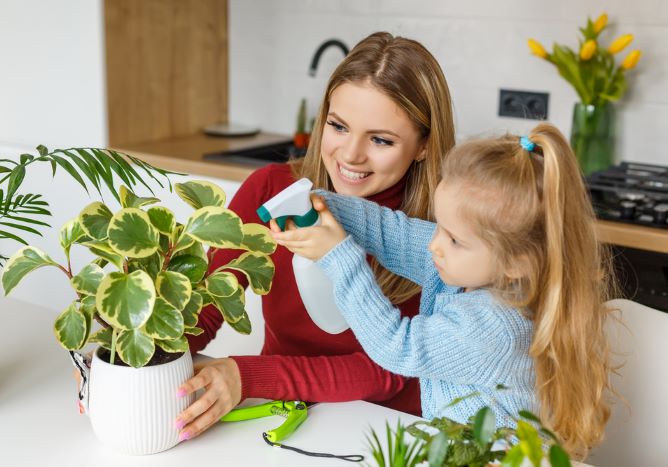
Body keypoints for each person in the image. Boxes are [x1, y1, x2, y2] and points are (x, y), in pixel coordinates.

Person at [173, 31, 456, 441]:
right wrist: (130, 362)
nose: (350, 155)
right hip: (278, 413)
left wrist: (244, 375)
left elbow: (388, 373)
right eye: (338, 126)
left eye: (380, 139)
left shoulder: (439, 234)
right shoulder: (270, 190)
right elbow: (206, 307)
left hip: (389, 431)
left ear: (424, 146)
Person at [272, 123, 615, 459]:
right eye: (440, 226)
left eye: (454, 239)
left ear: (516, 263)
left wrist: (339, 256)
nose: (435, 245)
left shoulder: (496, 325)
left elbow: (398, 346)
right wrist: (325, 206)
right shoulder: (463, 266)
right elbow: (393, 233)